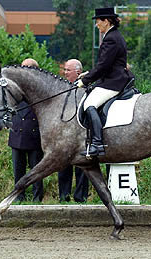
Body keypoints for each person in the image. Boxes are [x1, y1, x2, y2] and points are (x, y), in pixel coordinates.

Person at [76, 7, 132, 157]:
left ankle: (97, 144)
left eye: (98, 22)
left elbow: (103, 66)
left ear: (106, 21)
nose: (96, 25)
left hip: (114, 81)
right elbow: (108, 63)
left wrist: (85, 81)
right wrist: (88, 73)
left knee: (89, 104)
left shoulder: (111, 38)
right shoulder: (114, 35)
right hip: (113, 77)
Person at [8, 58, 44, 203]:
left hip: (34, 135)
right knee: (18, 170)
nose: (22, 70)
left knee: (36, 171)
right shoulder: (15, 86)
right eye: (22, 67)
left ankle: (37, 198)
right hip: (17, 134)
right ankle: (19, 196)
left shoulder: (40, 86)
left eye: (26, 67)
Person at [58, 59, 89, 203]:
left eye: (68, 70)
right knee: (63, 166)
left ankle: (80, 197)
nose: (65, 73)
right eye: (64, 70)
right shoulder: (61, 89)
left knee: (82, 168)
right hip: (64, 135)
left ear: (78, 72)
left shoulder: (87, 88)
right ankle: (64, 196)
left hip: (81, 134)